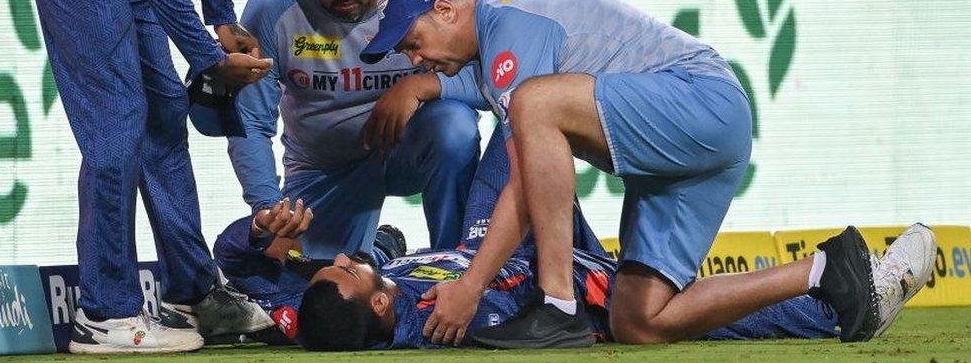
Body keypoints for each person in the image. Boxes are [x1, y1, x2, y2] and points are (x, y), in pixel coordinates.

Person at [358, 0, 938, 348]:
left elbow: (523, 180)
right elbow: (489, 96)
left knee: (533, 108)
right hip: (694, 147)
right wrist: (420, 87)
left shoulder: (510, 30)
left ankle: (559, 304)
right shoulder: (496, 44)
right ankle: (826, 271)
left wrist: (473, 285)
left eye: (413, 43)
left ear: (448, 11)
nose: (415, 58)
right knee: (639, 320)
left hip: (703, 103)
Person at [13, 0, 373, 353]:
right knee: (119, 122)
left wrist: (221, 17)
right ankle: (105, 313)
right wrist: (209, 60)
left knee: (164, 115)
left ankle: (194, 293)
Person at [212, 127, 932, 351]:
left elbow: (235, 263)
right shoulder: (442, 324)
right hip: (558, 272)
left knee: (526, 119)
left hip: (488, 238)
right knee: (708, 315)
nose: (338, 259)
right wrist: (537, 249)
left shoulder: (319, 308)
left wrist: (259, 231)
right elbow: (530, 305)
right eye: (350, 273)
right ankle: (857, 286)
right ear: (376, 310)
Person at [225, 0, 480, 259]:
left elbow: (485, 80)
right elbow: (250, 119)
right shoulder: (271, 8)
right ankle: (380, 253)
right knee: (312, 285)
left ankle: (453, 264)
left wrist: (419, 85)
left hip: (408, 151)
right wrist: (266, 204)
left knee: (455, 125)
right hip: (324, 169)